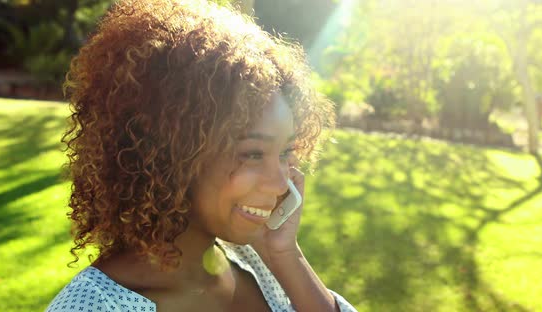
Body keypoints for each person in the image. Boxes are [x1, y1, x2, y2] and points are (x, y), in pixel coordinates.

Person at [46, 0, 357, 311]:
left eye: (285, 151)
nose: (280, 184)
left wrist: (288, 257)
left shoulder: (257, 263)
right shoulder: (93, 306)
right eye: (252, 154)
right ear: (173, 153)